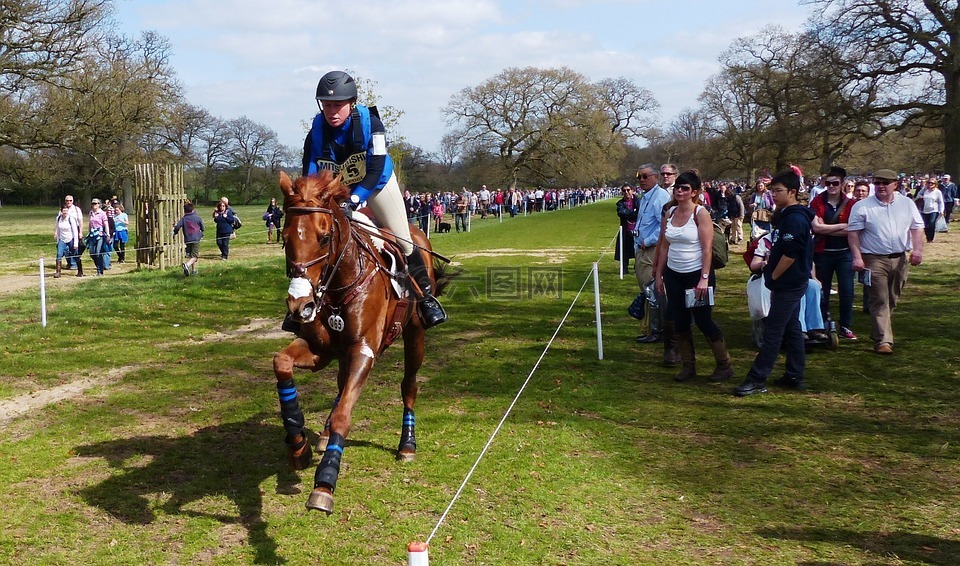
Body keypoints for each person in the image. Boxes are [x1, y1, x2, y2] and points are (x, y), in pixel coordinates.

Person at [301, 70, 446, 327]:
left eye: (338, 105)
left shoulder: (372, 124)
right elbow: (311, 171)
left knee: (403, 238)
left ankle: (425, 298)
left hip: (376, 184)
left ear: (352, 103)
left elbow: (377, 167)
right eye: (326, 104)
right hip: (339, 187)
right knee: (309, 243)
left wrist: (356, 201)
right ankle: (302, 302)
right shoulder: (316, 132)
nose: (332, 110)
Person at [734, 167, 814, 396]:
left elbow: (791, 254)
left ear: (792, 192)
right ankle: (794, 374)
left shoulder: (796, 219)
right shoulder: (788, 216)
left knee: (773, 332)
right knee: (792, 329)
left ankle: (757, 378)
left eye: (778, 191)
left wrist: (773, 275)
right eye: (772, 190)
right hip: (790, 281)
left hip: (789, 283)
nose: (773, 195)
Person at [653, 170, 733, 383]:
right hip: (674, 274)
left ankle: (724, 364)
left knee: (703, 320)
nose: (680, 191)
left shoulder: (700, 213)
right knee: (680, 320)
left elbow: (707, 250)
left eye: (685, 188)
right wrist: (659, 274)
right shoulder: (669, 213)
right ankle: (689, 366)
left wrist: (704, 278)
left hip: (697, 274)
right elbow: (664, 246)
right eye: (678, 187)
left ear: (694, 192)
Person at [847, 168, 924, 355]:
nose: (880, 186)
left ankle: (879, 331)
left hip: (899, 258)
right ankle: (884, 340)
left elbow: (917, 227)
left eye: (885, 183)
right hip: (873, 259)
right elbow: (853, 233)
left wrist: (918, 250)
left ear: (895, 185)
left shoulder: (906, 203)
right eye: (877, 183)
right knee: (879, 299)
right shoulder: (863, 206)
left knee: (892, 298)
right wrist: (857, 257)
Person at [631, 164, 676, 365]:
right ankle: (652, 327)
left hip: (650, 249)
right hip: (641, 249)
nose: (641, 180)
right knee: (647, 289)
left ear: (655, 177)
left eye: (645, 176)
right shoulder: (646, 197)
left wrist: (646, 241)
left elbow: (663, 226)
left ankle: (658, 330)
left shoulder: (660, 198)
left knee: (653, 290)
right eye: (639, 177)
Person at [810, 165, 857, 340]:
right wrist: (841, 227)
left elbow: (853, 229)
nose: (831, 186)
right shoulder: (817, 202)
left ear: (842, 183)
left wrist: (826, 228)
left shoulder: (850, 204)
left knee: (847, 289)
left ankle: (846, 325)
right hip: (823, 252)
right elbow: (816, 227)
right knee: (822, 289)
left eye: (835, 183)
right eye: (828, 183)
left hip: (845, 252)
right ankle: (822, 322)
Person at [173, 201, 204, 276]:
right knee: (195, 256)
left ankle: (193, 270)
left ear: (184, 211)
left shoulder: (183, 219)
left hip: (187, 239)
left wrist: (175, 232)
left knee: (191, 255)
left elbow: (177, 227)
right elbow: (203, 227)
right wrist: (201, 232)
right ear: (193, 210)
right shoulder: (198, 218)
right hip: (196, 239)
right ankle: (187, 265)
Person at [615, 184, 639, 276]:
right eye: (624, 190)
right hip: (625, 230)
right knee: (624, 250)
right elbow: (622, 213)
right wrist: (633, 213)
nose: (626, 192)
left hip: (637, 230)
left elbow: (640, 213)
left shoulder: (638, 201)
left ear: (632, 190)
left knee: (637, 250)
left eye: (628, 190)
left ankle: (637, 268)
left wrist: (631, 214)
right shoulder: (620, 203)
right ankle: (624, 268)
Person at [86, 198, 112, 276]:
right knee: (92, 253)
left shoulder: (102, 213)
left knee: (98, 252)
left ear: (99, 204)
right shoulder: (91, 213)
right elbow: (90, 223)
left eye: (96, 203)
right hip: (92, 235)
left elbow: (106, 224)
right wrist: (89, 232)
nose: (94, 205)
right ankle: (100, 265)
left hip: (100, 235)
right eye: (93, 203)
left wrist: (108, 234)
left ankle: (99, 270)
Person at [53, 206, 81, 278]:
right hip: (62, 239)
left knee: (75, 254)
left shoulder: (71, 219)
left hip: (70, 239)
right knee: (59, 254)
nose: (65, 212)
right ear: (61, 211)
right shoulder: (58, 218)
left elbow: (75, 231)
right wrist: (58, 241)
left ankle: (80, 270)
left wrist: (75, 243)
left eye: (66, 211)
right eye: (63, 211)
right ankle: (58, 272)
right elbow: (58, 230)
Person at [915, 177, 945, 242]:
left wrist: (941, 210)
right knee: (925, 225)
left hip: (934, 210)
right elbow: (918, 196)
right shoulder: (924, 190)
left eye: (932, 183)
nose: (930, 184)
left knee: (931, 224)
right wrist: (920, 197)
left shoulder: (937, 192)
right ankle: (928, 237)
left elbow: (941, 202)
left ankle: (930, 238)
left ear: (935, 184)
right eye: (929, 183)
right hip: (924, 210)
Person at [63, 195, 83, 269]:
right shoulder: (62, 209)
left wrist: (80, 232)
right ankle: (69, 262)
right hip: (65, 231)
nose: (68, 202)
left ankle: (74, 263)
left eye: (70, 200)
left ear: (73, 201)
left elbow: (80, 221)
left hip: (75, 230)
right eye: (67, 200)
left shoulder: (76, 209)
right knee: (65, 248)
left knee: (74, 247)